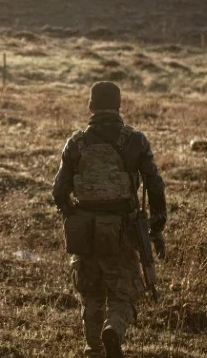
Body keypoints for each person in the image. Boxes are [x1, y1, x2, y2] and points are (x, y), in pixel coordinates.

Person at [52, 82, 167, 358]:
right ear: (119, 106)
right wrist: (156, 225)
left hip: (85, 232)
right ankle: (113, 329)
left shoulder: (76, 143)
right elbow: (155, 184)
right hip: (122, 230)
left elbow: (58, 192)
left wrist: (76, 217)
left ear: (90, 107)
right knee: (123, 293)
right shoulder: (135, 140)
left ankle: (93, 349)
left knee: (91, 294)